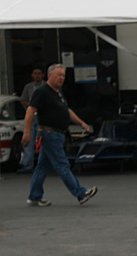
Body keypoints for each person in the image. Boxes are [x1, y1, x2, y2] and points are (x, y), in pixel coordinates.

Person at [23, 64, 97, 207]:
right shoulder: (43, 91)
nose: (61, 78)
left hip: (57, 134)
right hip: (50, 133)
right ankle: (80, 193)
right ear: (49, 75)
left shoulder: (58, 92)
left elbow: (66, 111)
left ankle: (34, 196)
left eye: (63, 75)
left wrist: (81, 123)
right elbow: (30, 111)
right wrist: (27, 133)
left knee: (43, 166)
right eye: (58, 75)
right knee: (62, 165)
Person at [17, 67, 46, 173]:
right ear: (32, 75)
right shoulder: (28, 87)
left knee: (43, 142)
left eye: (39, 73)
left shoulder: (47, 86)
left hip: (43, 119)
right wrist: (33, 105)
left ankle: (43, 166)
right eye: (35, 73)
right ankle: (27, 165)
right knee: (29, 142)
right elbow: (23, 100)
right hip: (32, 118)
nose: (37, 75)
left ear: (43, 75)